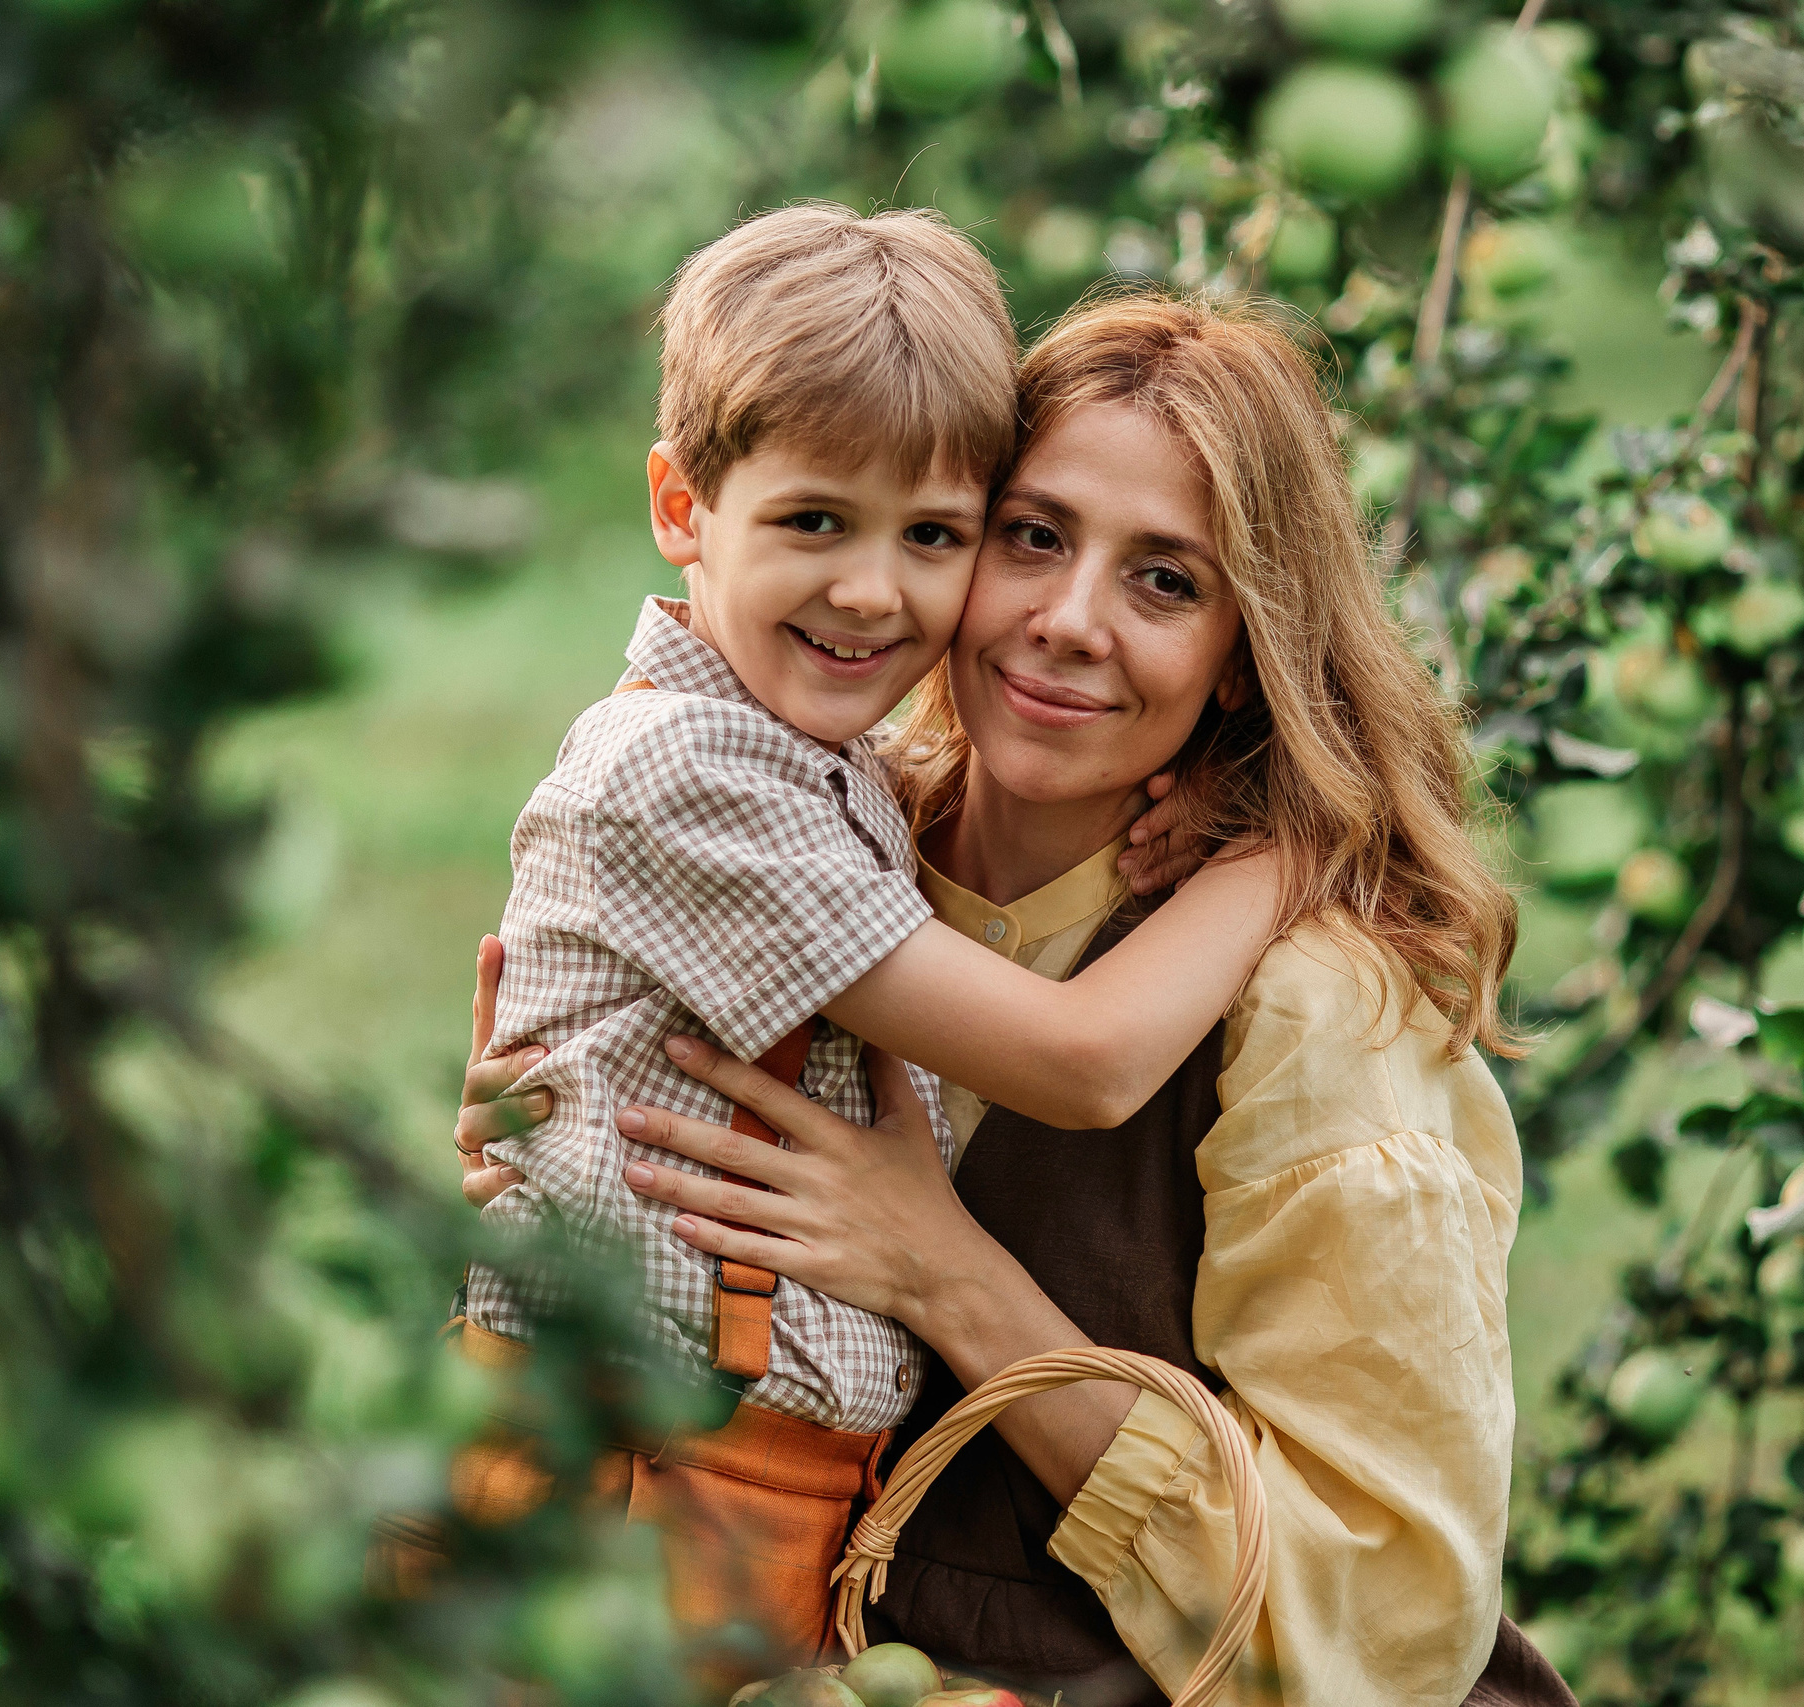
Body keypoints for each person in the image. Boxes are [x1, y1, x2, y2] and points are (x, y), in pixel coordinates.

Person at [460, 294, 1574, 1707]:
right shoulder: (846, 849)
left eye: (1165, 582)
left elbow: (1380, 1625)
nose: (1067, 621)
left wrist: (953, 1279)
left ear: (1244, 649)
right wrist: (559, 1150)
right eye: (1031, 536)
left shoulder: (1311, 1007)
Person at [449, 208, 1282, 1662]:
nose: (872, 592)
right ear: (681, 504)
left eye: (937, 537)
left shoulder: (819, 768)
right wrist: (1286, 857)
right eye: (814, 521)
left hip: (744, 1482)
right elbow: (1080, 1064)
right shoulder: (686, 779)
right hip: (638, 1478)